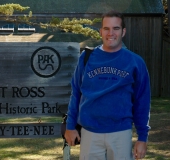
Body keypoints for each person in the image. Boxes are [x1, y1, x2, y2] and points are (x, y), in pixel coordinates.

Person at [64, 10, 151, 160]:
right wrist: (70, 126)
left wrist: (142, 138)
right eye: (106, 28)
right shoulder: (86, 58)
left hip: (120, 134)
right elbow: (76, 92)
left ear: (123, 32)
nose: (111, 33)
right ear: (100, 32)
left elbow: (142, 102)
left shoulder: (135, 62)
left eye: (116, 28)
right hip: (90, 133)